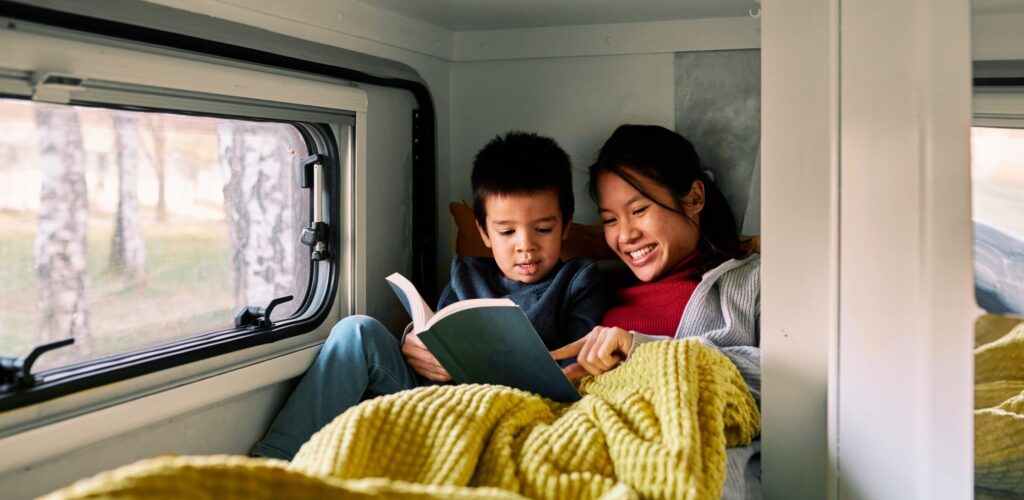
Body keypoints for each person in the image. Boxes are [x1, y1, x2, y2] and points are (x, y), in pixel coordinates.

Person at [251, 131, 608, 460]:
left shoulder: (577, 280)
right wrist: (415, 342)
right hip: (434, 398)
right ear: (484, 232)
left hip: (508, 411)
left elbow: (580, 363)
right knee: (355, 330)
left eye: (542, 229)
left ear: (565, 225)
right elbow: (439, 334)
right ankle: (271, 461)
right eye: (507, 231)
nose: (525, 246)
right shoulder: (466, 276)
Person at [552, 124, 760, 405]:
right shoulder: (592, 289)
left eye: (639, 210)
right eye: (610, 220)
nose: (625, 236)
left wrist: (640, 349)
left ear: (694, 198)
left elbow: (786, 377)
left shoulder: (751, 281)